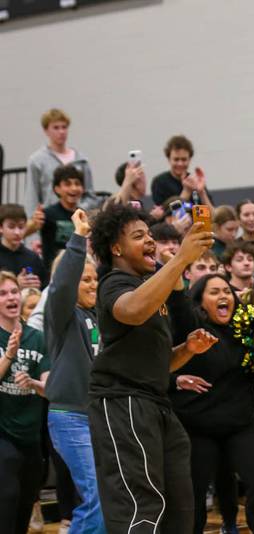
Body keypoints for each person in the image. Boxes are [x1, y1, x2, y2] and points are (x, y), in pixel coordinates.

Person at [86, 203, 217, 533]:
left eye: (149, 235)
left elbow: (159, 363)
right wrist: (180, 259)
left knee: (179, 506)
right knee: (140, 506)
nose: (149, 242)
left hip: (156, 402)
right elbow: (131, 311)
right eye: (138, 236)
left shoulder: (151, 292)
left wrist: (186, 350)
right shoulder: (114, 283)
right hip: (123, 402)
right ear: (116, 248)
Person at [167, 274, 254, 534]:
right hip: (198, 426)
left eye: (227, 291)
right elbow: (179, 304)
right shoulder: (193, 327)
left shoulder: (246, 330)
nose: (223, 296)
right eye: (214, 292)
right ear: (201, 301)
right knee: (194, 493)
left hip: (238, 425)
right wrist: (179, 262)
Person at [43, 209, 105, 534]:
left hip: (100, 417)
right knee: (97, 497)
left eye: (94, 278)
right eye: (85, 278)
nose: (92, 283)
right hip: (70, 417)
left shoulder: (100, 318)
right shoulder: (62, 315)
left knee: (108, 498)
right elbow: (63, 284)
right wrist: (79, 240)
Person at [0, 271, 50, 534]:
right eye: (3, 293)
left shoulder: (36, 337)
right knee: (6, 498)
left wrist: (34, 384)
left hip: (31, 436)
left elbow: (49, 386)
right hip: (2, 433)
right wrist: (8, 355)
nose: (11, 297)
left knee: (23, 504)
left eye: (13, 291)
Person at [25, 109, 94, 224]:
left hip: (77, 219)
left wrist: (80, 209)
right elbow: (32, 197)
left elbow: (90, 194)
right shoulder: (37, 160)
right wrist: (33, 231)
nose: (61, 132)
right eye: (56, 128)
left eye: (64, 127)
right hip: (50, 221)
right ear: (46, 130)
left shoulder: (81, 160)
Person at [150, 135, 213, 208]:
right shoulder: (159, 182)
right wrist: (187, 191)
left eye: (184, 159)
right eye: (176, 159)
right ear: (169, 159)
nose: (180, 164)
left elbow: (214, 216)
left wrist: (202, 192)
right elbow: (166, 215)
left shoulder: (196, 181)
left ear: (189, 159)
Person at [41, 164, 84, 270]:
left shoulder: (83, 215)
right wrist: (33, 223)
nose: (73, 188)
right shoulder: (48, 214)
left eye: (77, 184)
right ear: (57, 189)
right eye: (67, 184)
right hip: (54, 270)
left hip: (79, 269)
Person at [0, 204, 47, 289]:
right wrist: (15, 284)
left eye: (21, 227)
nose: (17, 232)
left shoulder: (33, 258)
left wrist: (37, 287)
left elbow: (45, 288)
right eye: (11, 227)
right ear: (1, 227)